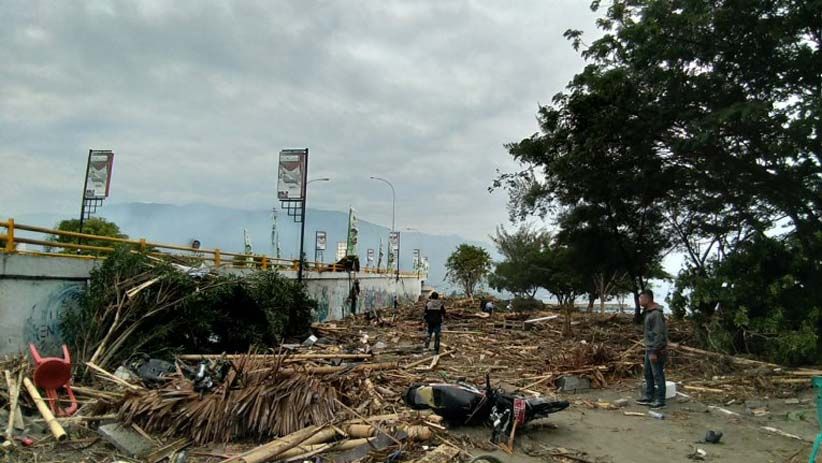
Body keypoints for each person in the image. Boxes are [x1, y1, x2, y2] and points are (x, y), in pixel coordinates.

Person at [636, 289, 668, 409]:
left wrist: (654, 351)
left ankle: (661, 400)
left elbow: (658, 334)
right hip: (649, 348)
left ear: (648, 299)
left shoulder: (656, 314)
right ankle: (649, 396)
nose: (639, 301)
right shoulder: (648, 312)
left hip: (656, 350)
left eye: (641, 298)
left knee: (658, 374)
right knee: (647, 373)